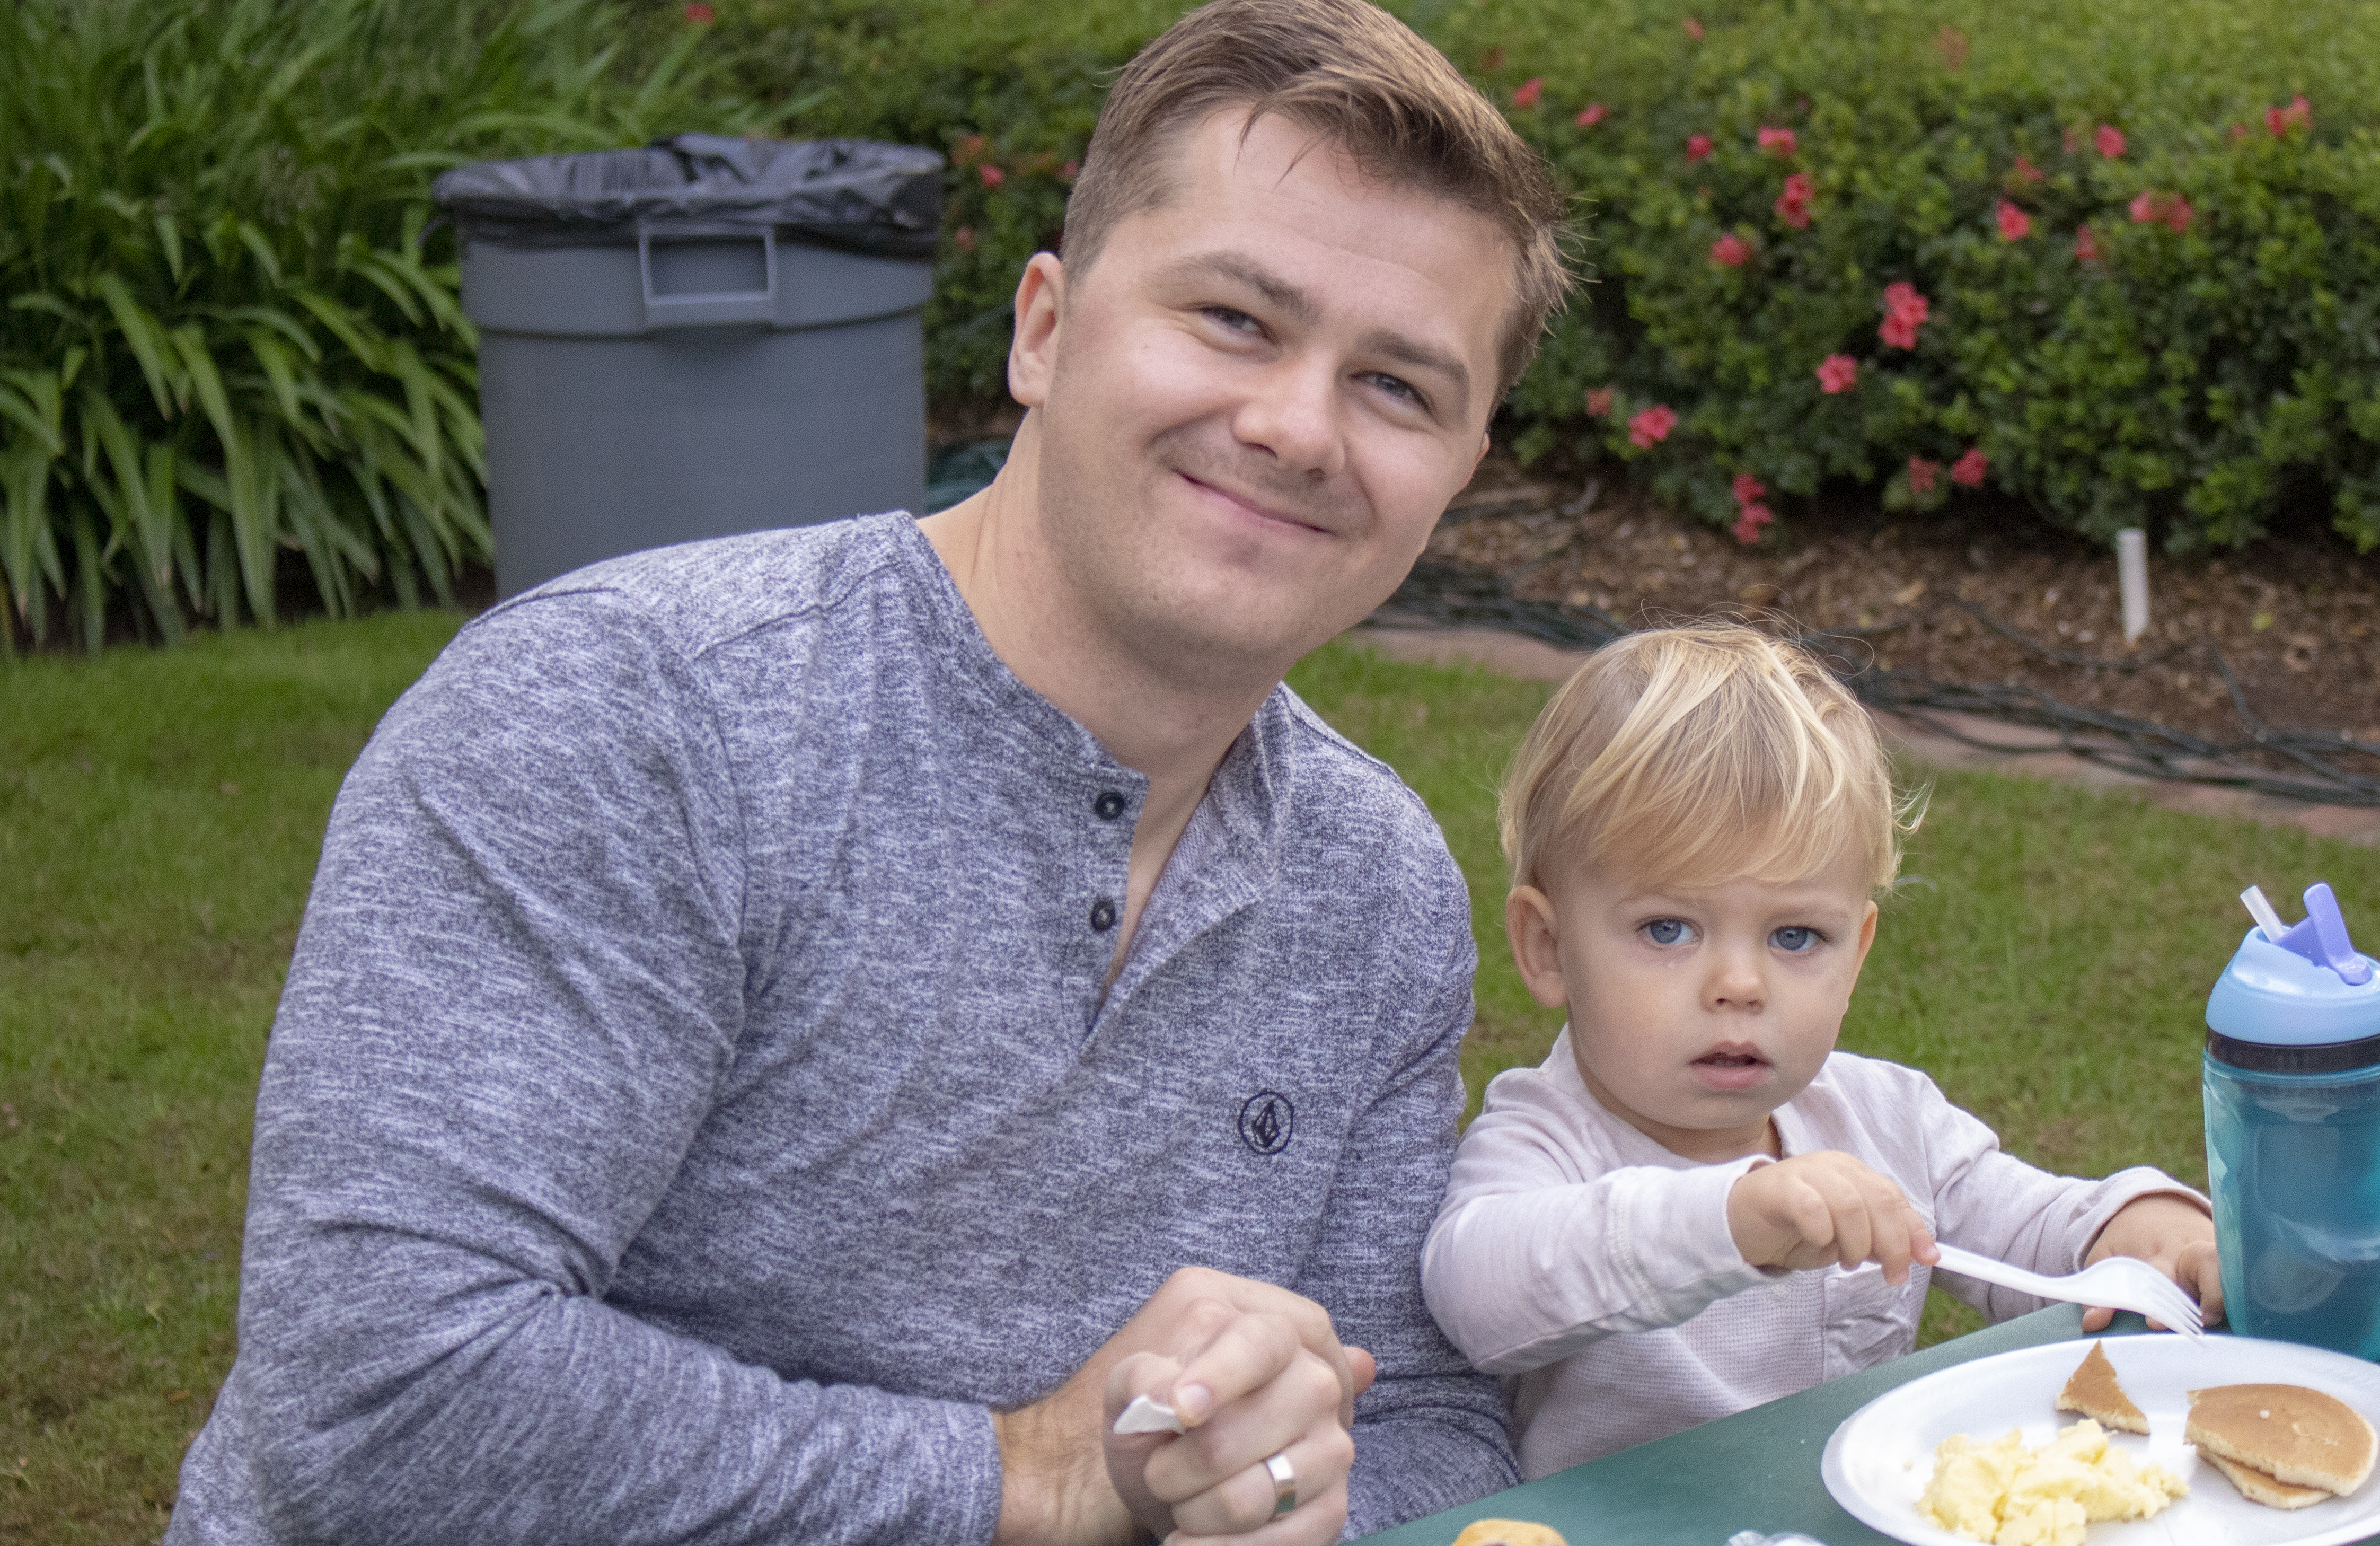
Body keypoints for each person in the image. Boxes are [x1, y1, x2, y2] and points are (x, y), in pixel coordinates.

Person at [165, 2, 1571, 1541]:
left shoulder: (1372, 886)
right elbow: (375, 1399)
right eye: (1235, 318)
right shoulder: (633, 716)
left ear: (1459, 471)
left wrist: (1290, 1498)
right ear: (1042, 329)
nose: (1299, 424)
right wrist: (1027, 1478)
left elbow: (1423, 1418)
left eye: (1399, 387)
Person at [1417, 625, 2222, 1480]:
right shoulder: (1544, 1138)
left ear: (1858, 954)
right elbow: (1478, 1291)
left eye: (1796, 936)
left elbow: (2033, 1227)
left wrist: (2135, 1226)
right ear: (1548, 947)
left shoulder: (1885, 1117)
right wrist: (1734, 1220)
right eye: (1668, 928)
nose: (1740, 984)